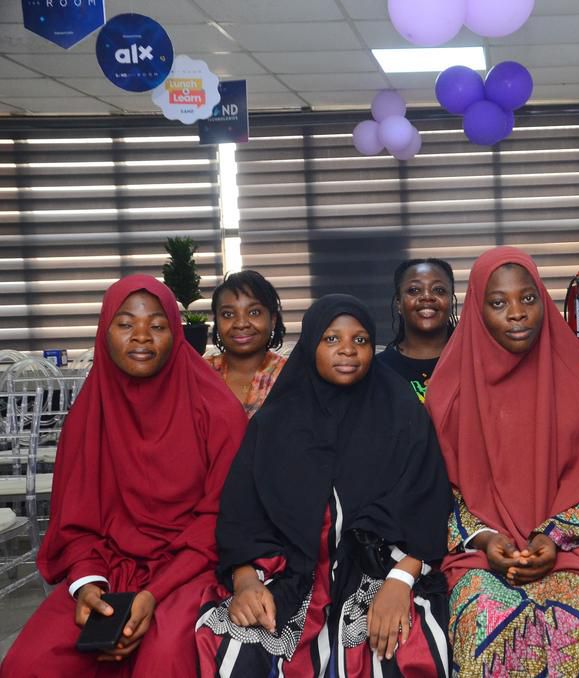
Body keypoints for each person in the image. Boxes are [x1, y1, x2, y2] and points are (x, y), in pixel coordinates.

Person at [0, 275, 248, 678]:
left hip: (191, 568)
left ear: (176, 332)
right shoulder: (88, 416)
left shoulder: (218, 413)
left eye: (157, 324)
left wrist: (153, 593)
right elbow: (75, 523)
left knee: (162, 658)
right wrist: (87, 586)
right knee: (29, 663)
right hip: (107, 566)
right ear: (104, 332)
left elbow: (224, 520)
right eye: (125, 323)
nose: (142, 337)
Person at [196, 294, 451, 677]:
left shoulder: (402, 412)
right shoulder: (274, 423)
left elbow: (427, 505)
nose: (347, 350)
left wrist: (400, 581)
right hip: (290, 575)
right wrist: (246, 579)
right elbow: (241, 514)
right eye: (331, 339)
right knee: (235, 643)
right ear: (310, 344)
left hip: (381, 572)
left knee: (402, 647)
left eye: (360, 340)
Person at [425, 246, 579, 677]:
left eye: (527, 299)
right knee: (487, 618)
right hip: (481, 557)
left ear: (543, 301)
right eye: (498, 303)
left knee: (574, 619)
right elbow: (435, 490)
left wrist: (554, 537)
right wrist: (487, 540)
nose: (516, 314)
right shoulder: (446, 395)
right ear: (476, 309)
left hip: (571, 550)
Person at [207, 270, 288, 418]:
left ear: (273, 319)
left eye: (254, 312)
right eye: (228, 314)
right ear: (217, 322)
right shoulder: (199, 374)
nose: (241, 324)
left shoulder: (291, 375)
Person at [376, 258, 458, 403]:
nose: (427, 297)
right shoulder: (378, 370)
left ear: (451, 300)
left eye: (439, 290)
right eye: (414, 290)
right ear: (398, 303)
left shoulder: (473, 363)